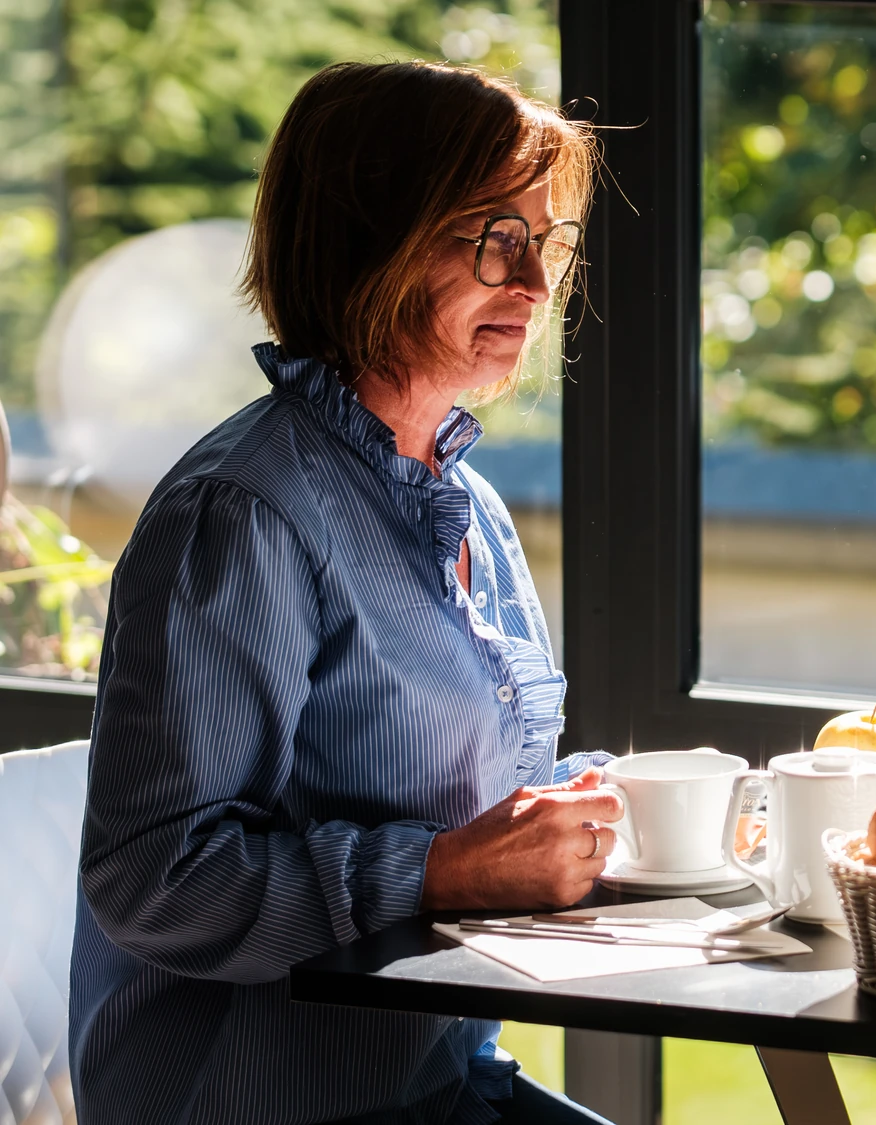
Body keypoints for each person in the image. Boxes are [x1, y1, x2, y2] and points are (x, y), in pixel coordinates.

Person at [72, 62, 621, 1124]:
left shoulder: (463, 501)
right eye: (493, 237)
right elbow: (154, 881)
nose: (532, 282)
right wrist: (439, 873)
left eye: (545, 242)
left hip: (436, 1079)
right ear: (372, 240)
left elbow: (468, 808)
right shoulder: (243, 515)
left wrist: (637, 810)